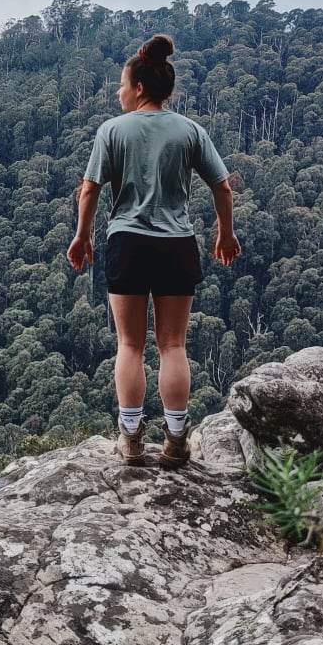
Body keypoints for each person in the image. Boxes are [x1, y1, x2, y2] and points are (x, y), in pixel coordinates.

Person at [66, 35, 239, 468]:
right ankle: (177, 438)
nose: (118, 93)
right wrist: (225, 233)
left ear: (139, 87)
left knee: (129, 344)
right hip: (176, 243)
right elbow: (222, 186)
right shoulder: (190, 131)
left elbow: (89, 190)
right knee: (173, 345)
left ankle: (130, 439)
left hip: (126, 242)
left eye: (122, 85)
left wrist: (82, 235)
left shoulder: (112, 131)